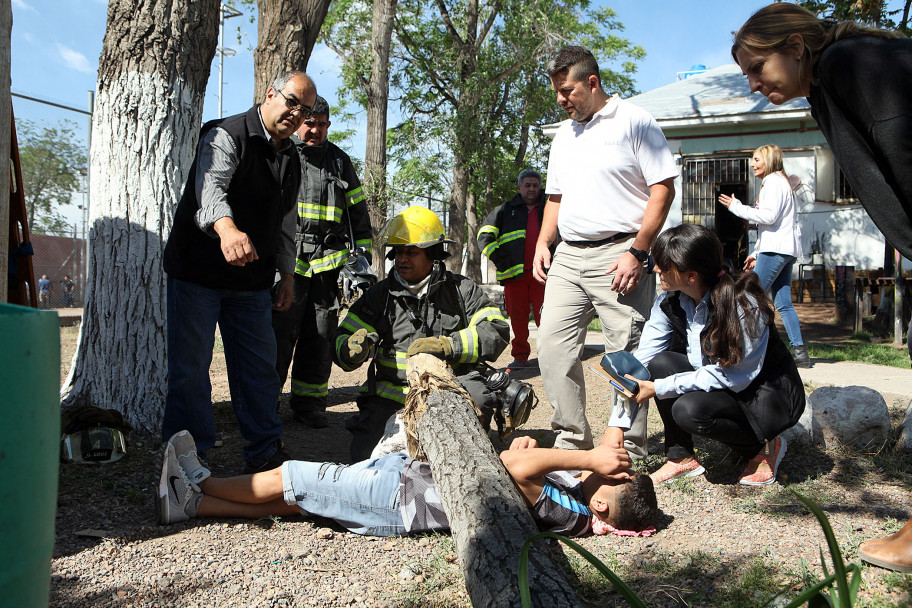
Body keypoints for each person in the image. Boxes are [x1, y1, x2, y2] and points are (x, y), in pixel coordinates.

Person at [732, 1, 912, 572]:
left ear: (794, 45)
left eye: (758, 67)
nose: (755, 85)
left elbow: (904, 141)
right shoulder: (833, 78)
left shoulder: (848, 63)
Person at [161, 71, 316, 474]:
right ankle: (187, 460)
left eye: (306, 111)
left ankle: (264, 451)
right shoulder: (226, 135)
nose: (297, 114)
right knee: (190, 369)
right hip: (197, 275)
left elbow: (286, 222)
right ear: (270, 94)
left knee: (259, 369)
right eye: (292, 102)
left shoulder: (291, 157)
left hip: (251, 282)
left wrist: (287, 274)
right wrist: (227, 228)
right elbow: (209, 189)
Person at [533, 46, 678, 457]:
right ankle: (573, 442)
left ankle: (627, 448)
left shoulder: (635, 121)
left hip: (620, 253)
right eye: (557, 92)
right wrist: (544, 242)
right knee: (552, 346)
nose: (561, 100)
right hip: (568, 256)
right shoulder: (564, 135)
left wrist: (638, 251)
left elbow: (662, 189)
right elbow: (555, 198)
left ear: (592, 83)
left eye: (567, 91)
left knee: (627, 352)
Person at [157, 429, 658, 539]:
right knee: (300, 504)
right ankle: (193, 506)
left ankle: (201, 479)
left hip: (399, 501)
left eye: (607, 480)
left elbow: (512, 472)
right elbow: (513, 468)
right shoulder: (577, 501)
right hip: (404, 484)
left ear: (605, 508)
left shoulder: (571, 516)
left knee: (298, 479)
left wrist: (584, 454)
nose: (599, 471)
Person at [622, 224, 805, 487]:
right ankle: (680, 458)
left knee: (688, 411)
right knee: (660, 363)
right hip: (720, 383)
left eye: (664, 264)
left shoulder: (743, 305)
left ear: (692, 275)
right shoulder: (671, 300)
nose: (656, 268)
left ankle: (764, 445)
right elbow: (643, 358)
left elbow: (736, 378)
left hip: (763, 395)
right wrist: (623, 395)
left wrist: (659, 388)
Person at [332, 206, 510, 461]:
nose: (401, 259)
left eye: (411, 252)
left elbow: (496, 329)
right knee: (365, 460)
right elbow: (343, 336)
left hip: (452, 386)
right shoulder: (380, 295)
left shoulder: (462, 291)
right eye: (398, 252)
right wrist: (349, 348)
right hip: (392, 394)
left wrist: (450, 346)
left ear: (433, 255)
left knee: (465, 443)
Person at [271, 96, 373, 429]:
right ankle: (266, 402)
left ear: (329, 125)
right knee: (279, 333)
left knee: (321, 335)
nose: (314, 130)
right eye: (309, 123)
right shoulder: (283, 155)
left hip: (329, 267)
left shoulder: (341, 162)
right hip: (290, 264)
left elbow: (358, 213)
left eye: (322, 124)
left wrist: (363, 258)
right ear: (299, 121)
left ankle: (309, 403)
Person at [719, 144, 809, 368]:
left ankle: (745, 346)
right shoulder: (781, 182)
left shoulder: (773, 182)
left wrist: (737, 207)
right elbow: (774, 223)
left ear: (769, 160)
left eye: (757, 160)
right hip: (783, 249)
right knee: (783, 303)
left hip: (776, 249)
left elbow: (767, 217)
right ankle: (799, 352)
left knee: (748, 296)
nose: (752, 164)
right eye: (752, 160)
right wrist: (756, 252)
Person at [477, 169, 547, 371]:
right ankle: (520, 356)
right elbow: (484, 236)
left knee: (548, 318)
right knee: (518, 318)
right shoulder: (505, 210)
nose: (532, 189)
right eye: (527, 185)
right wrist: (501, 260)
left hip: (544, 274)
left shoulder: (549, 208)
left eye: (535, 185)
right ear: (519, 188)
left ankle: (549, 357)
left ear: (540, 187)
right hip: (514, 275)